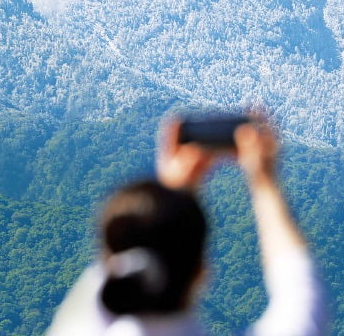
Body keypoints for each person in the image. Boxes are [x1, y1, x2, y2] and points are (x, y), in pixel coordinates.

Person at [47, 114, 327, 336]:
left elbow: (121, 265)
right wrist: (263, 180)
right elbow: (302, 294)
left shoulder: (80, 326)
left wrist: (169, 199)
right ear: (202, 273)